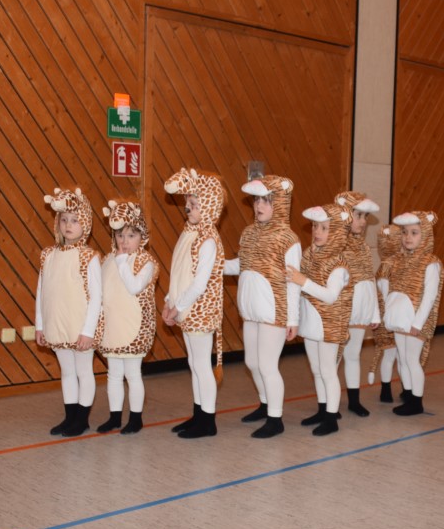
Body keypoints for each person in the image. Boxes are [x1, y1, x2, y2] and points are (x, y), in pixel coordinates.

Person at [224, 175, 300, 438]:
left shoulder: (288, 238)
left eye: (266, 201)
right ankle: (265, 403)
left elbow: (293, 281)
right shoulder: (249, 233)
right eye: (257, 200)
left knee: (268, 365)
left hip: (273, 311)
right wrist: (215, 265)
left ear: (280, 203)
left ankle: (275, 419)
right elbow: (241, 264)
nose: (259, 205)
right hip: (251, 311)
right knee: (252, 362)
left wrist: (292, 319)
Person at [161, 168, 227, 439]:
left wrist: (178, 307)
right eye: (188, 203)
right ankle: (198, 414)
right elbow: (179, 272)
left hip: (199, 310)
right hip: (185, 308)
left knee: (201, 365)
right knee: (193, 363)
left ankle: (208, 421)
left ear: (209, 206)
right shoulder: (189, 233)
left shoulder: (208, 240)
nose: (189, 208)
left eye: (195, 204)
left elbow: (199, 284)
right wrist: (169, 301)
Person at [36, 187, 103, 437]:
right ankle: (70, 416)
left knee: (84, 371)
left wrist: (88, 331)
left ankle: (81, 419)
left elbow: (96, 297)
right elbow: (42, 292)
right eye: (64, 220)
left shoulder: (89, 257)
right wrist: (40, 325)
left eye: (74, 220)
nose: (68, 225)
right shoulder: (48, 255)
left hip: (80, 325)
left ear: (85, 223)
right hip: (57, 323)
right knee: (67, 372)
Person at [287, 203, 352, 436]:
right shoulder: (309, 254)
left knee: (327, 370)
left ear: (336, 232)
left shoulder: (339, 264)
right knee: (316, 369)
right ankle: (323, 410)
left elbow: (330, 296)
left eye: (324, 228)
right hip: (311, 320)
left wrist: (302, 281)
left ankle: (331, 418)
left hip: (330, 324)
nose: (317, 232)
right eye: (315, 226)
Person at [97, 200, 157, 435]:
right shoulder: (108, 260)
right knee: (113, 374)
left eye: (131, 235)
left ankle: (135, 418)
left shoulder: (146, 261)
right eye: (120, 235)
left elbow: (133, 287)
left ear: (142, 236)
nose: (124, 240)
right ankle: (114, 417)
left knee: (132, 374)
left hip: (134, 326)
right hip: (112, 326)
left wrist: (122, 262)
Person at [383, 211, 443, 416]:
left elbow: (430, 296)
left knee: (411, 359)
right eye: (405, 232)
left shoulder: (430, 262)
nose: (408, 237)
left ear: (425, 235)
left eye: (414, 233)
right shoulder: (400, 261)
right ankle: (408, 394)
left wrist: (418, 323)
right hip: (401, 318)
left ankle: (416, 402)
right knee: (402, 358)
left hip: (416, 321)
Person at [333, 191, 381, 416]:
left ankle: (354, 400)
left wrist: (374, 313)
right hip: (340, 311)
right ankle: (329, 404)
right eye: (358, 215)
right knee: (334, 358)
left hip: (360, 312)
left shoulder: (363, 248)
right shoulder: (335, 244)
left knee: (353, 355)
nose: (363, 221)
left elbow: (370, 279)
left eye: (365, 216)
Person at [368, 224, 402, 402]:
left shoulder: (392, 266)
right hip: (389, 319)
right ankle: (386, 390)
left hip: (393, 317)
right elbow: (388, 295)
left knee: (399, 355)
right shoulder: (387, 268)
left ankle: (404, 389)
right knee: (391, 355)